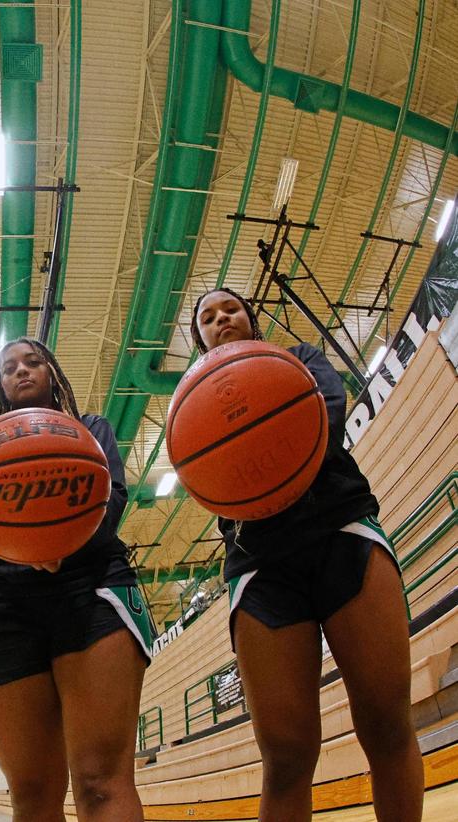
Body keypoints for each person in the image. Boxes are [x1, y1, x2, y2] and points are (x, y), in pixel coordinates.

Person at [191, 288, 422, 822]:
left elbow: (328, 420)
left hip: (341, 532)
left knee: (387, 724)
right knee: (287, 758)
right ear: (198, 337)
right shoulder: (192, 398)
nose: (221, 318)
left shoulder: (298, 360)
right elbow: (203, 477)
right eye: (207, 316)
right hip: (261, 567)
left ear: (251, 317)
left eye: (230, 308)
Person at [0, 337, 153, 821]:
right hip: (6, 607)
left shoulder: (91, 429)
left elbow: (110, 503)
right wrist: (28, 548)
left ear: (53, 373)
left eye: (33, 362)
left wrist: (58, 544)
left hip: (90, 591)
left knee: (100, 781)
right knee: (31, 792)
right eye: (9, 368)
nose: (21, 371)